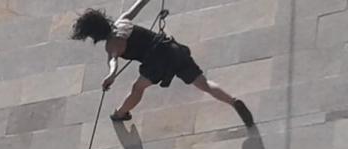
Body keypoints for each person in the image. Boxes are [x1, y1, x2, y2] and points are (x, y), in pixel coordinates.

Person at [70, 0, 255, 127]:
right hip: (172, 49)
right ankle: (233, 101)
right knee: (203, 83)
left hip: (156, 63)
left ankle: (120, 113)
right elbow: (140, 3)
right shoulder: (123, 21)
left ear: (93, 34)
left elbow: (113, 64)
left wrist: (110, 77)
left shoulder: (112, 46)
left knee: (137, 88)